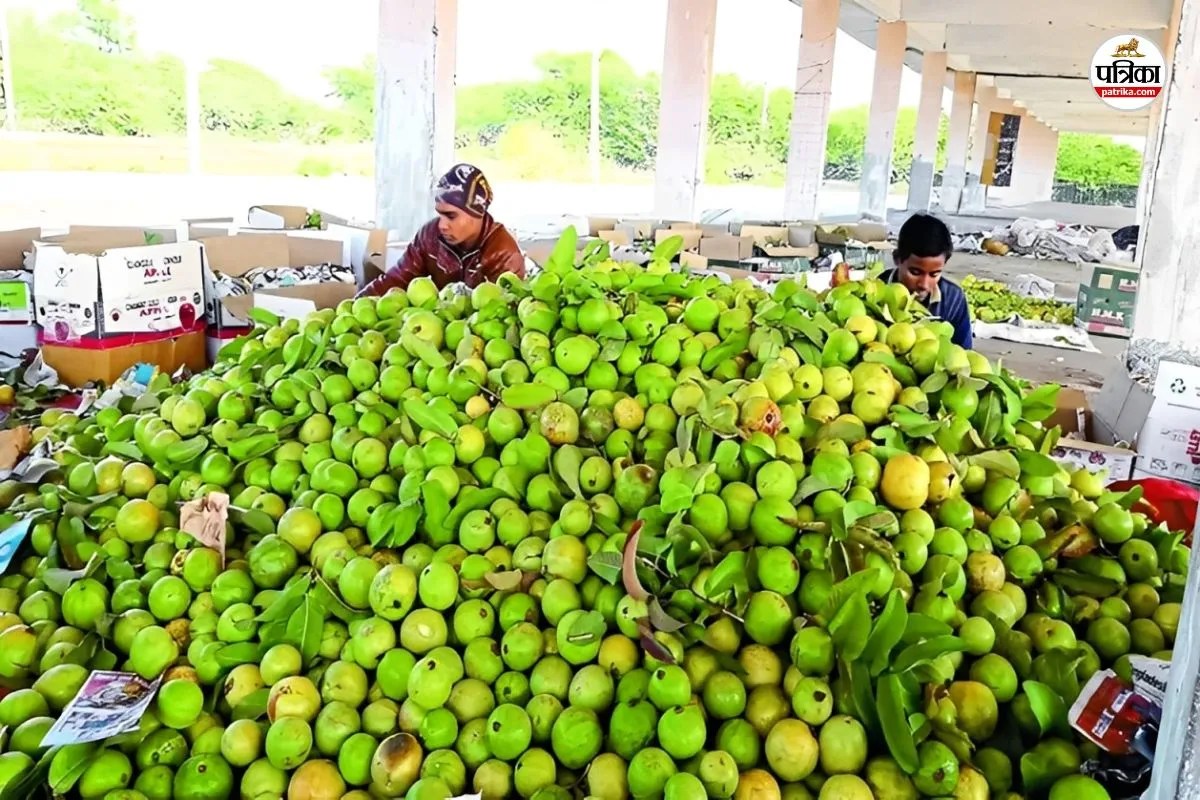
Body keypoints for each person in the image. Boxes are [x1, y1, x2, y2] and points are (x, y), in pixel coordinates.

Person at [357, 163, 526, 297]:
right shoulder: (429, 236)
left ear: (477, 213)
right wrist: (357, 304)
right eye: (440, 214)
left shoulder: (504, 254)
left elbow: (503, 314)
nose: (442, 225)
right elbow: (397, 278)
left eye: (451, 216)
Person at [881, 212, 973, 349]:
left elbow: (963, 352)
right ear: (897, 259)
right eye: (915, 272)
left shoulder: (953, 299)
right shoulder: (877, 292)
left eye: (934, 274)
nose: (924, 285)